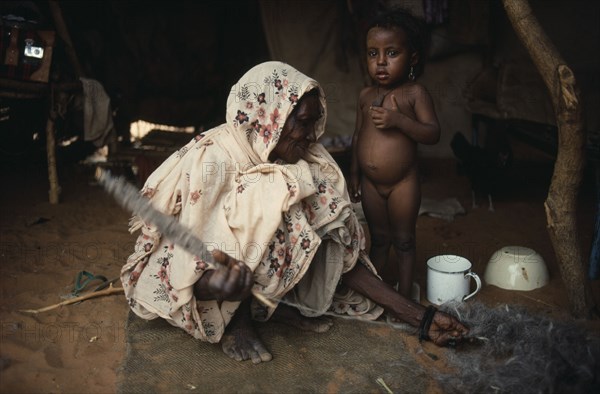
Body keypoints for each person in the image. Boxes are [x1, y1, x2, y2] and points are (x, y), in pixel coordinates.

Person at [121, 61, 467, 364]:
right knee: (261, 195)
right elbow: (179, 255)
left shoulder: (302, 163)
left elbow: (340, 258)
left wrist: (419, 317)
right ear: (270, 117)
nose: (310, 135)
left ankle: (277, 305)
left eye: (314, 123)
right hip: (199, 279)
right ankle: (238, 324)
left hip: (248, 280)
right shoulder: (213, 159)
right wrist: (216, 283)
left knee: (290, 188)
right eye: (301, 123)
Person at [349, 9, 440, 299]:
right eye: (373, 53)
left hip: (403, 182)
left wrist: (398, 120)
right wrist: (354, 172)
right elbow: (357, 135)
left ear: (412, 58)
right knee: (378, 240)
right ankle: (376, 292)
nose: (381, 62)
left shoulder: (415, 94)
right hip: (371, 184)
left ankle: (404, 294)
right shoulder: (365, 96)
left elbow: (432, 133)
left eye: (391, 53)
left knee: (403, 240)